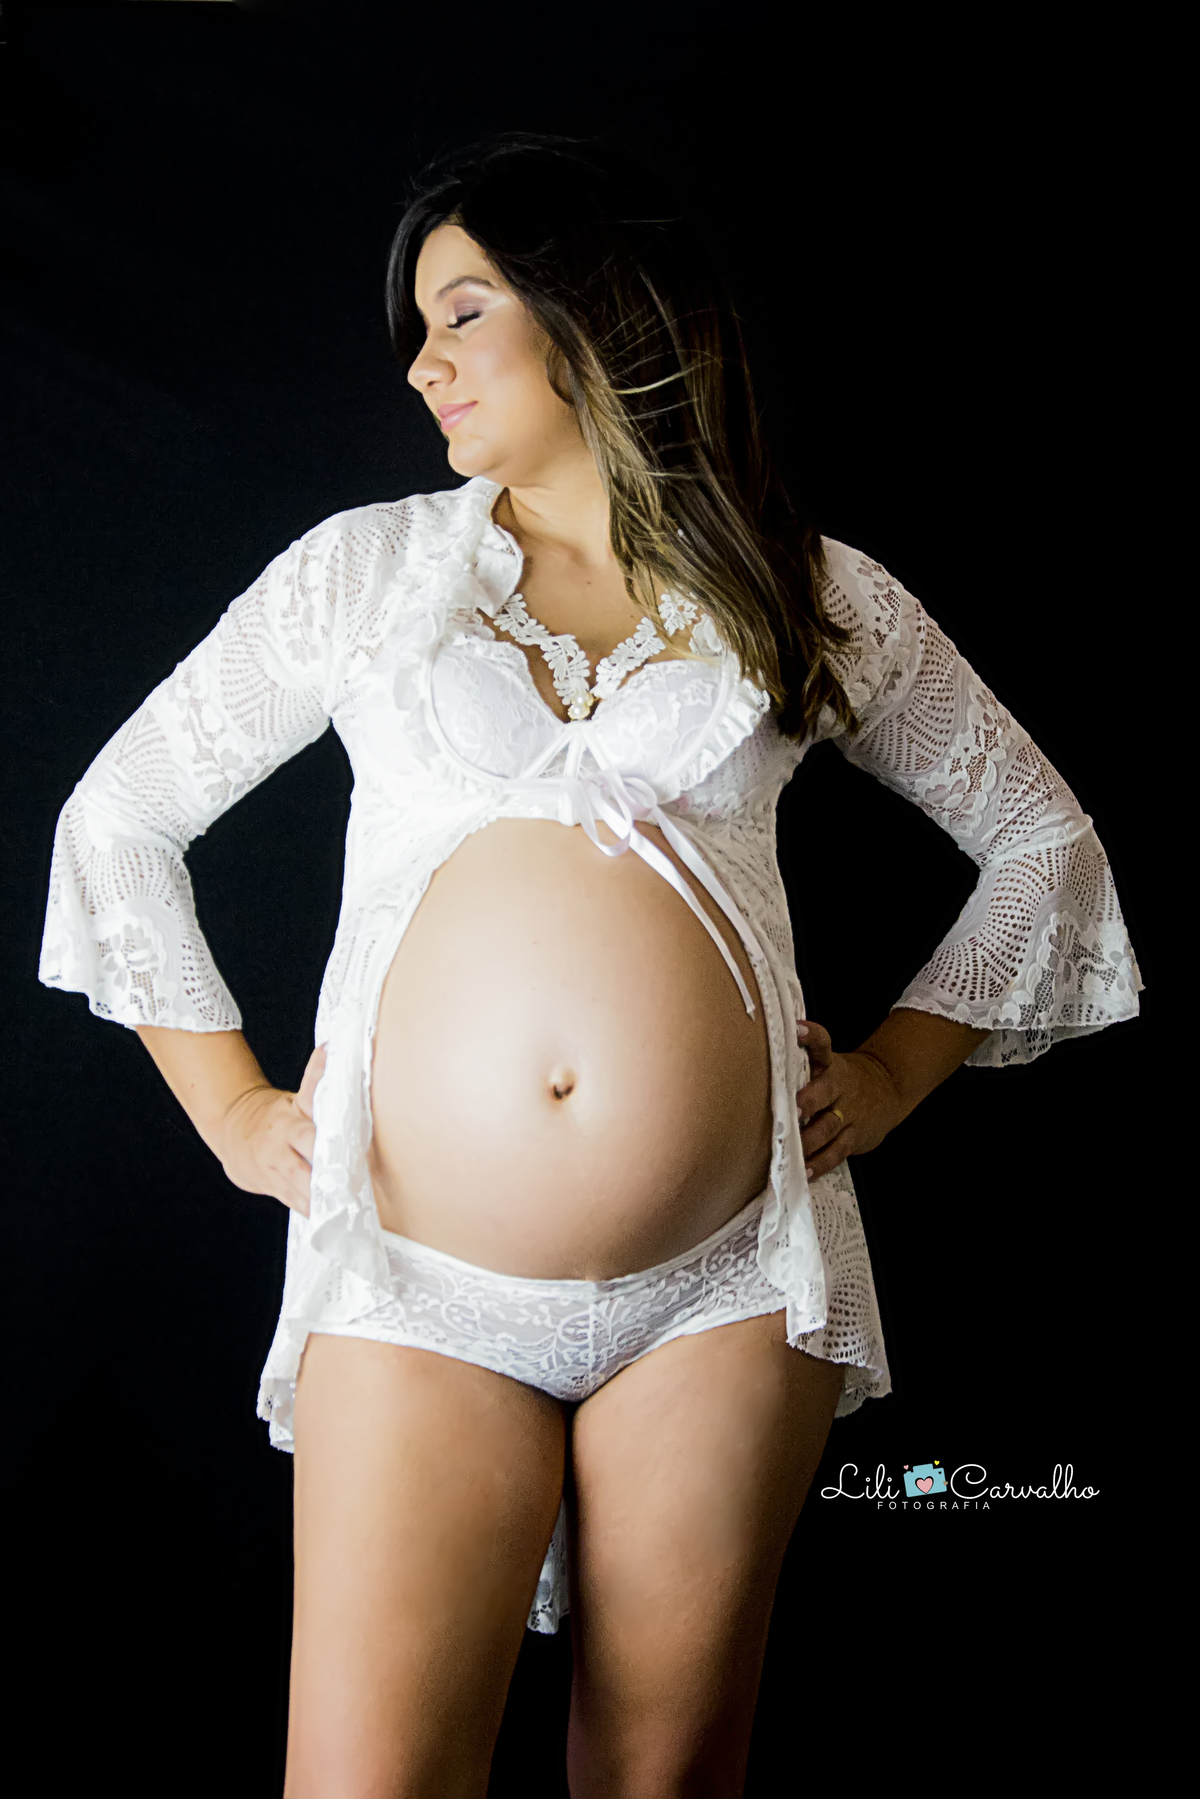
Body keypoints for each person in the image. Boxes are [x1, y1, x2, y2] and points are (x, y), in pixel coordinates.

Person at [38, 132, 1142, 1798]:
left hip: (729, 1282)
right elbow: (116, 820)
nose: (423, 361)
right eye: (419, 324)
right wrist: (232, 1108)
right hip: (416, 1286)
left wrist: (899, 1073)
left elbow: (1044, 842)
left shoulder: (797, 586)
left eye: (464, 310)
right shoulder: (369, 574)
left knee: (667, 1780)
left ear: (598, 311)